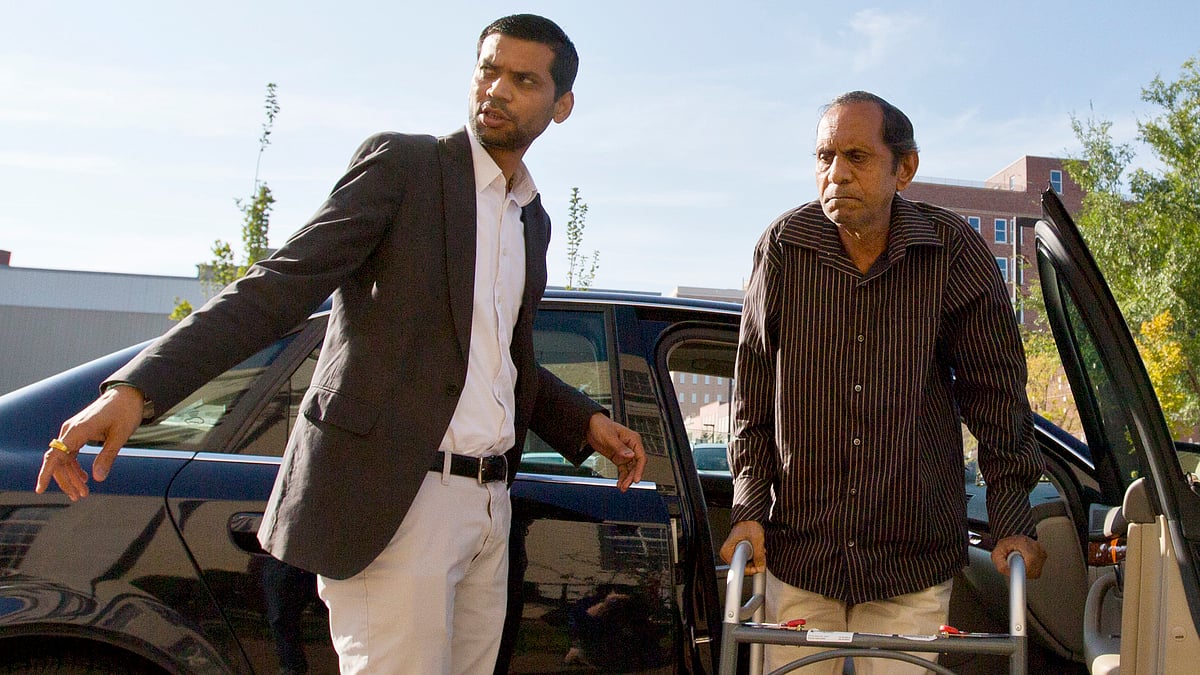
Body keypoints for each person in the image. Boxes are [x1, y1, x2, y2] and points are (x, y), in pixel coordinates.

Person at [35, 14, 646, 675]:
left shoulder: (531, 219)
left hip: (490, 505)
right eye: (488, 70)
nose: (496, 89)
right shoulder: (407, 168)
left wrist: (584, 421)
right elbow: (279, 285)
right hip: (396, 500)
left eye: (523, 81)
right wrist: (137, 388)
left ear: (561, 106)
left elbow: (499, 354)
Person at [719, 91, 1048, 674]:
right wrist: (748, 505)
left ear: (905, 168)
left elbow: (995, 396)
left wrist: (1011, 519)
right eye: (824, 157)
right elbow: (753, 397)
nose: (836, 173)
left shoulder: (951, 250)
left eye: (857, 156)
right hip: (801, 553)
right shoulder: (784, 247)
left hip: (911, 559)